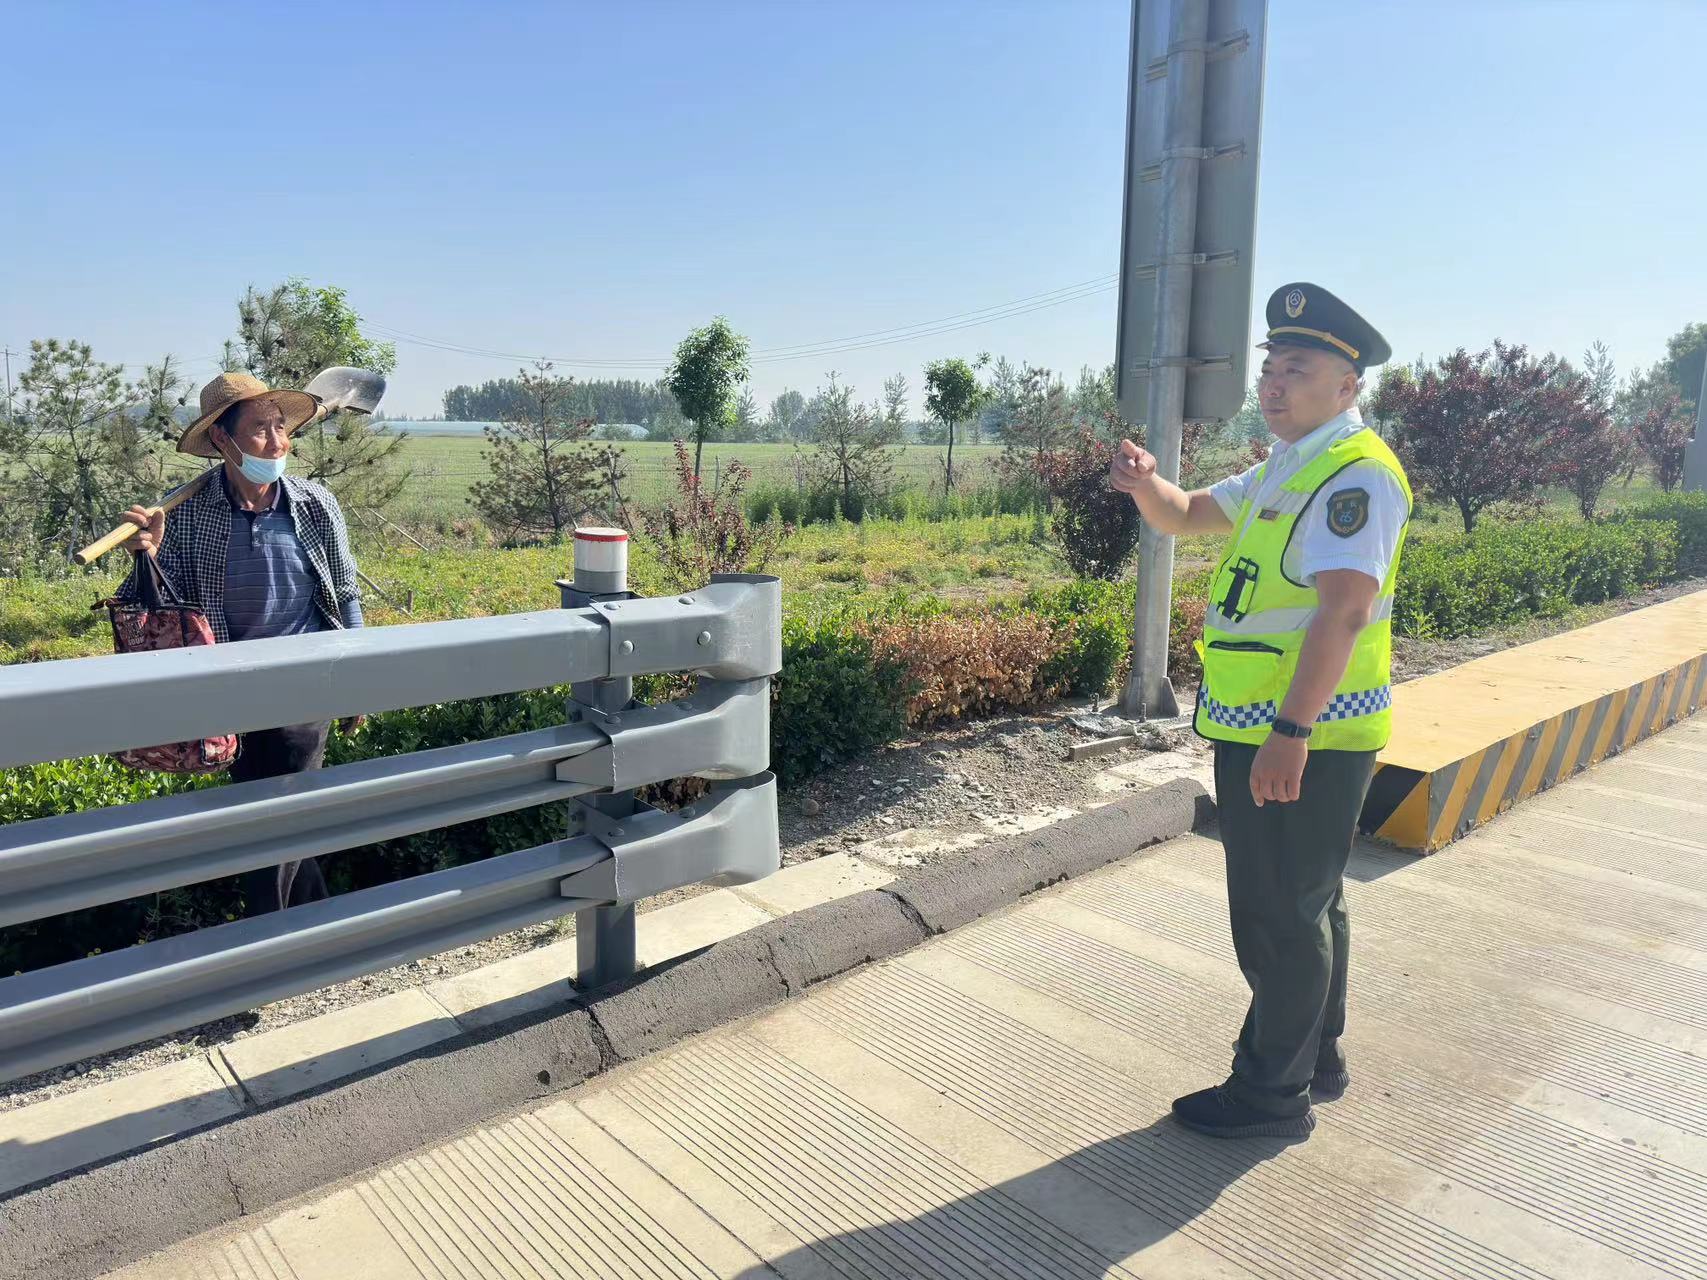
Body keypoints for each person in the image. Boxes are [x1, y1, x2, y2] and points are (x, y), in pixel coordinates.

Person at [1109, 283, 1410, 1140]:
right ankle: (1315, 1060)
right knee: (1309, 905)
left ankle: (1268, 1096)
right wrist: (1146, 482)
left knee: (1278, 916)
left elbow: (1343, 611)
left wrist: (1290, 734)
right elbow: (1186, 514)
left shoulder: (1354, 476)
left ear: (1346, 386)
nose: (1273, 384)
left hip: (1301, 737)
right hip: (1266, 731)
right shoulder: (1288, 462)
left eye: (1297, 370)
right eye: (1270, 368)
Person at [121, 371, 366, 914]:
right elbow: (149, 612)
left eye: (281, 428)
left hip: (305, 688)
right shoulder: (187, 515)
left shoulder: (314, 504)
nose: (277, 443)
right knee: (279, 818)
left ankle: (264, 951)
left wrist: (358, 678)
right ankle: (318, 926)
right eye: (260, 430)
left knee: (273, 821)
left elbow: (345, 592)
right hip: (229, 693)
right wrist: (149, 556)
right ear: (220, 440)